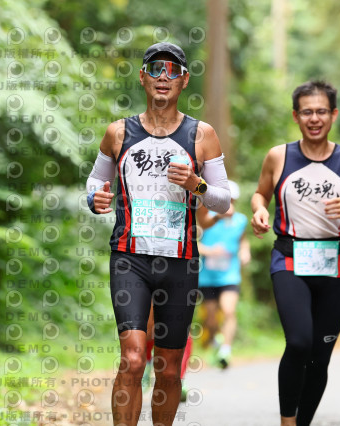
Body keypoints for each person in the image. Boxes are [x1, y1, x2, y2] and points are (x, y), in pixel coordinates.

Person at [86, 42, 231, 426]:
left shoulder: (202, 135)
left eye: (172, 70)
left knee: (168, 367)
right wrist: (94, 199)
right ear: (142, 77)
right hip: (129, 258)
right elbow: (96, 180)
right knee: (133, 359)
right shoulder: (119, 132)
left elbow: (222, 201)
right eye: (155, 69)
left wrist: (196, 184)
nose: (163, 76)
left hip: (180, 261)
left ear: (184, 80)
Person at [250, 80, 340, 426]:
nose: (314, 118)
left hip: (333, 264)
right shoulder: (279, 156)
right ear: (296, 116)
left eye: (321, 111)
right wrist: (259, 210)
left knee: (320, 356)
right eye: (307, 112)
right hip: (289, 259)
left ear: (333, 115)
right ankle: (287, 421)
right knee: (298, 342)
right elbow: (261, 193)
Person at [197, 180, 250, 369]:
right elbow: (194, 243)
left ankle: (226, 350)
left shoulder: (241, 220)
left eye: (232, 200)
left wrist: (245, 252)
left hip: (229, 276)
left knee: (229, 311)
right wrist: (210, 251)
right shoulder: (206, 217)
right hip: (207, 277)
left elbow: (243, 240)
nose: (229, 204)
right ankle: (215, 341)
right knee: (211, 319)